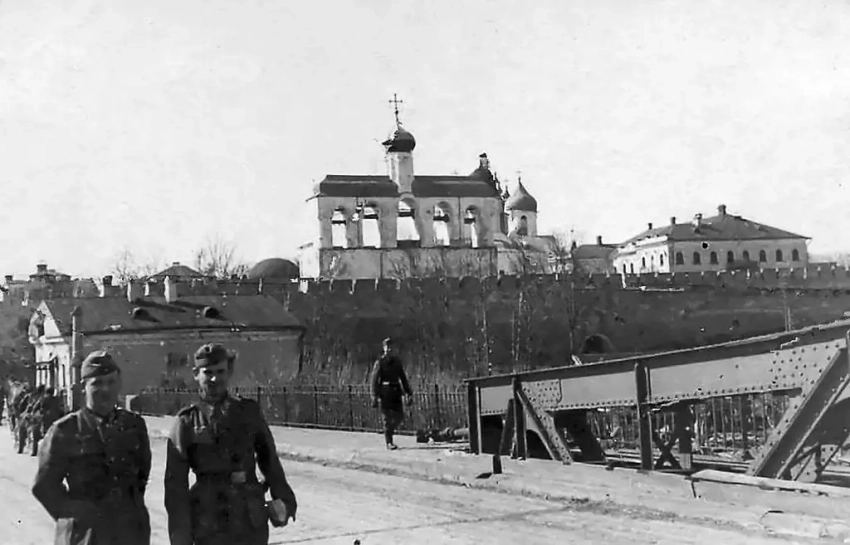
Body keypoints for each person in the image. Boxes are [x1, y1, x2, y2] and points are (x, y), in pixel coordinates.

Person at [164, 343, 298, 545]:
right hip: (208, 520)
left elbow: (269, 459)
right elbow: (175, 485)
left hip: (248, 518)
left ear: (229, 372)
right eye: (208, 372)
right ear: (196, 374)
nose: (214, 379)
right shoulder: (187, 422)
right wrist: (180, 536)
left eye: (220, 372)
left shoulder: (248, 412)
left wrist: (284, 499)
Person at [31, 350, 152, 545]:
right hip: (85, 535)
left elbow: (141, 476)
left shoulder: (134, 425)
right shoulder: (65, 430)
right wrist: (75, 514)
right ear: (83, 387)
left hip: (128, 532)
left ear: (119, 384)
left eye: (111, 382)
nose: (106, 389)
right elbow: (44, 486)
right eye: (97, 383)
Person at [371, 337, 413, 450]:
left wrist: (408, 392)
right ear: (384, 348)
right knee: (387, 419)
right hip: (385, 393)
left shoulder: (397, 362)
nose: (389, 349)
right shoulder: (380, 363)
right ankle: (389, 442)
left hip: (396, 391)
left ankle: (389, 431)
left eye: (391, 347)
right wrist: (374, 396)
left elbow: (403, 378)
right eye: (387, 347)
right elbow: (374, 381)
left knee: (399, 416)